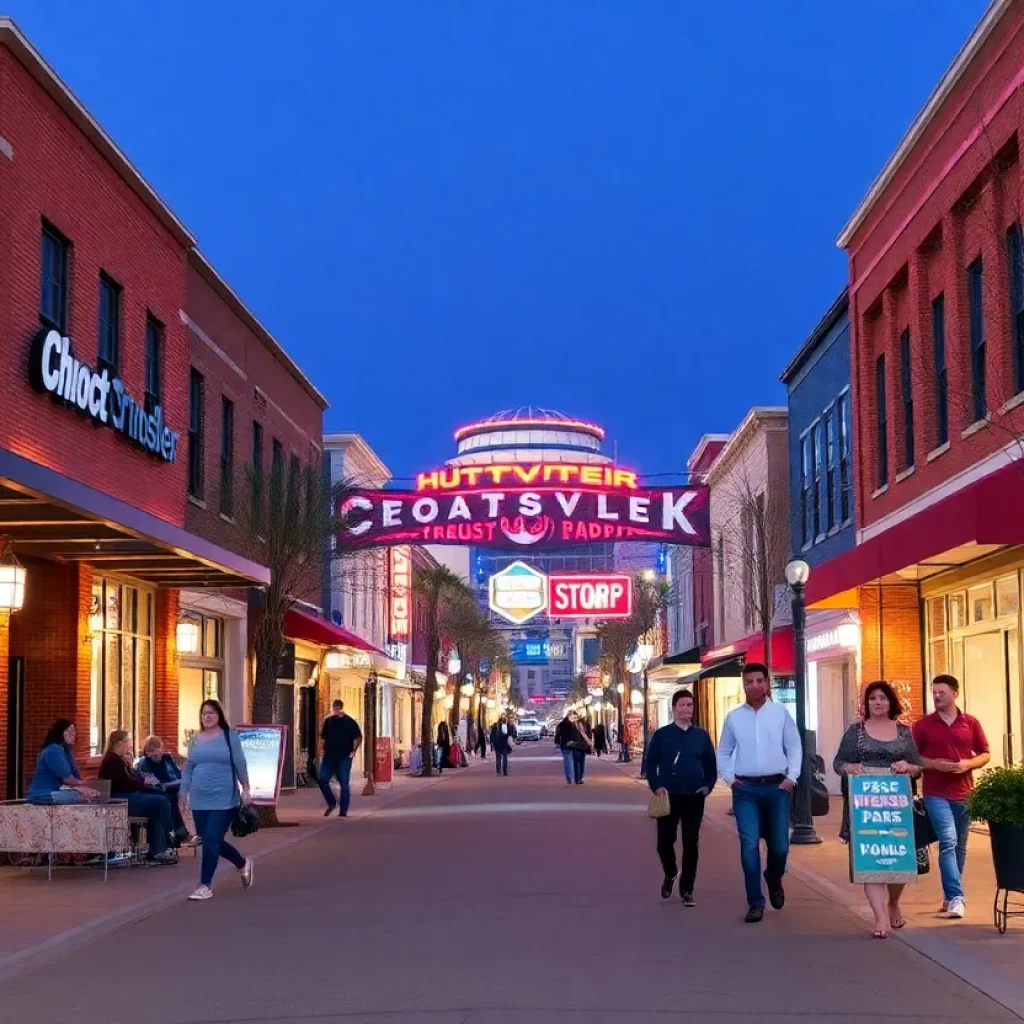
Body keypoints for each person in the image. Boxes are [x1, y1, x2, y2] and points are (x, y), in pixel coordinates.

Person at [833, 681, 923, 938]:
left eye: (882, 698)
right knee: (869, 859)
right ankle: (880, 917)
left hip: (897, 809)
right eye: (873, 698)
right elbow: (839, 763)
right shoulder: (856, 732)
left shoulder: (904, 733)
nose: (877, 702)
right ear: (867, 703)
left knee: (898, 860)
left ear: (890, 702)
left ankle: (893, 902)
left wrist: (908, 767)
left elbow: (918, 766)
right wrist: (849, 768)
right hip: (865, 808)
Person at [717, 662, 802, 923]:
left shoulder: (780, 713)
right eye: (749, 682)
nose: (754, 686)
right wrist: (730, 779)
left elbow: (794, 746)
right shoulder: (734, 717)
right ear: (743, 685)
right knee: (749, 846)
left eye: (759, 681)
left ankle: (773, 878)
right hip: (746, 790)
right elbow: (723, 751)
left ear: (767, 683)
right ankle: (755, 901)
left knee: (780, 846)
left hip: (778, 788)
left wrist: (792, 777)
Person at [912, 675, 990, 920]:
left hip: (965, 792)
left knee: (960, 848)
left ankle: (949, 895)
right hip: (935, 793)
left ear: (955, 693)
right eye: (934, 692)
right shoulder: (923, 725)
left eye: (941, 692)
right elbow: (913, 758)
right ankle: (957, 897)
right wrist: (934, 764)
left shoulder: (971, 723)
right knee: (948, 841)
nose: (936, 696)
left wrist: (968, 763)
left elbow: (985, 753)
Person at [645, 689, 717, 906]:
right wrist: (656, 787)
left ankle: (687, 889)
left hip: (694, 796)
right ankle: (670, 872)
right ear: (674, 708)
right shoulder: (662, 735)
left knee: (690, 842)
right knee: (664, 842)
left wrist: (708, 786)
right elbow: (650, 764)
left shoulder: (701, 736)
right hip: (668, 796)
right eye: (683, 705)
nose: (687, 709)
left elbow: (711, 766)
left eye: (691, 705)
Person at [179, 699, 254, 902]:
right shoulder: (195, 740)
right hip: (199, 798)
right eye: (204, 713)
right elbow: (189, 768)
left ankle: (205, 885)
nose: (208, 717)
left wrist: (246, 788)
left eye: (212, 713)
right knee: (211, 841)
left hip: (224, 798)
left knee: (211, 839)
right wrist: (182, 793)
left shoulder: (230, 737)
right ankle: (242, 863)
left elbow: (240, 763)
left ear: (219, 715)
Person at [99, 730, 177, 865]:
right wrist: (144, 782)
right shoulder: (112, 760)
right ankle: (170, 834)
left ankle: (157, 850)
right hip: (120, 799)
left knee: (157, 805)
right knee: (161, 801)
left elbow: (134, 779)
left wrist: (145, 783)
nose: (130, 745)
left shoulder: (121, 760)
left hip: (127, 796)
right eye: (128, 742)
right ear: (119, 743)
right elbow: (124, 783)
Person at [26, 719, 101, 804]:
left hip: (58, 791)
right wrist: (83, 784)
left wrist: (88, 783)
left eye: (74, 731)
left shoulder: (66, 752)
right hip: (44, 794)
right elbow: (67, 779)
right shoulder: (52, 751)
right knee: (86, 796)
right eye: (70, 731)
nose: (73, 735)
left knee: (93, 794)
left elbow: (75, 777)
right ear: (60, 733)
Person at [137, 735, 194, 846]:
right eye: (150, 752)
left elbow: (177, 775)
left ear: (161, 749)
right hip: (156, 790)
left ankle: (180, 835)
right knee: (171, 799)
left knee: (180, 794)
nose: (154, 755)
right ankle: (178, 835)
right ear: (146, 752)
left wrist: (180, 782)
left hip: (171, 786)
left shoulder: (167, 758)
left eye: (157, 751)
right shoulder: (144, 763)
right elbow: (152, 783)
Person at [317, 700, 363, 817]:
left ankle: (343, 811)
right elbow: (323, 737)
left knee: (344, 782)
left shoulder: (349, 722)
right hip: (329, 756)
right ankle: (331, 802)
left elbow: (359, 737)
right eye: (334, 709)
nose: (335, 711)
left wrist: (354, 751)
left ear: (341, 709)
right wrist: (321, 750)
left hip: (344, 756)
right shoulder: (328, 721)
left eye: (337, 709)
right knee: (322, 779)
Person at [554, 710, 590, 785]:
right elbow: (574, 735)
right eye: (574, 716)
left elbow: (558, 733)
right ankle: (572, 778)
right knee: (570, 761)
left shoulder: (564, 723)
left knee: (570, 761)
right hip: (571, 744)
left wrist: (557, 742)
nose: (575, 718)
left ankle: (571, 778)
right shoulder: (570, 724)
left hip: (569, 744)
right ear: (570, 715)